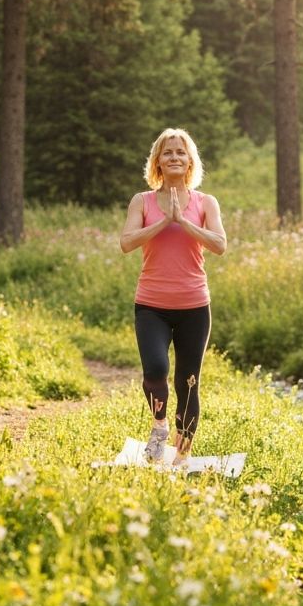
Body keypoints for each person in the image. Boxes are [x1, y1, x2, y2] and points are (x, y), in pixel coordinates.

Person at [120, 128, 227, 468]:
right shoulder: (143, 201)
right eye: (168, 153)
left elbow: (220, 245)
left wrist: (183, 221)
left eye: (182, 152)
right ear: (158, 162)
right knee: (155, 369)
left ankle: (182, 456)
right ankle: (160, 426)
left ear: (191, 161)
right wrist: (166, 219)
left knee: (188, 381)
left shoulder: (205, 202)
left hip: (194, 306)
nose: (175, 157)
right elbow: (127, 242)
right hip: (151, 304)